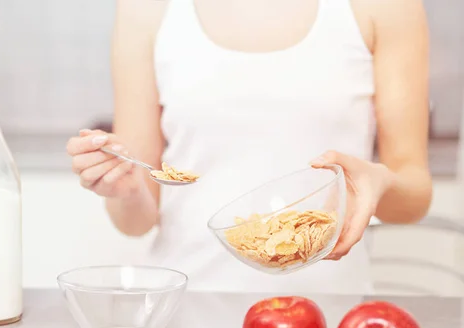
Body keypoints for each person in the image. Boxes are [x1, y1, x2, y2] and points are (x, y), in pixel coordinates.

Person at [66, 0, 432, 293]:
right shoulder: (145, 9)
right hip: (189, 310)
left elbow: (414, 196)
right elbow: (136, 222)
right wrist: (123, 189)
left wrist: (379, 180)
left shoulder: (387, 7)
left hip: (329, 313)